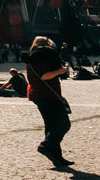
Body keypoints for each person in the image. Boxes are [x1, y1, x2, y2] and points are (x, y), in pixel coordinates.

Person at [26, 36, 72, 167]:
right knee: (64, 124)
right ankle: (46, 146)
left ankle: (56, 157)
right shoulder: (43, 56)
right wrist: (60, 71)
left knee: (51, 126)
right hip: (48, 95)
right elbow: (44, 76)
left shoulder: (33, 56)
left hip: (39, 95)